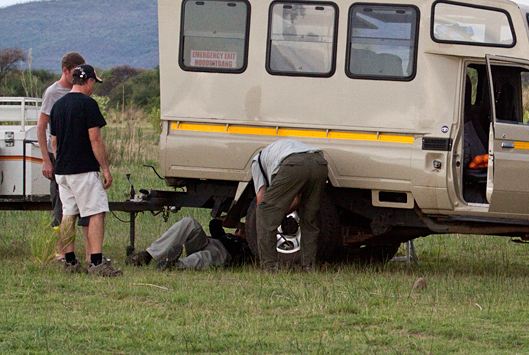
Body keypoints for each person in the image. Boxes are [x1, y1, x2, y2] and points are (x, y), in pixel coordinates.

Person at [50, 64, 121, 277]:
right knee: (96, 212)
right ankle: (96, 262)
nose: (93, 88)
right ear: (89, 80)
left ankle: (69, 261)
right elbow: (95, 138)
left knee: (68, 214)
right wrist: (106, 169)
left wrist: (59, 162)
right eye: (94, 83)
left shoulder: (58, 106)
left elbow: (54, 141)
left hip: (62, 170)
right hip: (83, 169)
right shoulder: (88, 104)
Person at [36, 52, 92, 241]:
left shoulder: (80, 90)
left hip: (77, 153)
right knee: (61, 205)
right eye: (74, 73)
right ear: (65, 71)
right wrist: (46, 160)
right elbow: (42, 126)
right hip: (57, 155)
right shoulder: (53, 93)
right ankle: (59, 248)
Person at [251, 139, 328, 272]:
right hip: (319, 163)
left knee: (264, 213)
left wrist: (276, 216)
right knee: (309, 218)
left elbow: (261, 201)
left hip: (294, 164)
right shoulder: (278, 151)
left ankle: (269, 267)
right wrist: (282, 213)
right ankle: (308, 266)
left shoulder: (256, 162)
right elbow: (297, 200)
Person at [125, 217, 254, 270]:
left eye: (242, 231)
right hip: (210, 242)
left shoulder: (248, 248)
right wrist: (234, 220)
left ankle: (174, 265)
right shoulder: (227, 236)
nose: (238, 232)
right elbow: (214, 224)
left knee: (204, 257)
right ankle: (147, 255)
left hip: (224, 254)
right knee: (189, 222)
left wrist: (247, 232)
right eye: (238, 230)